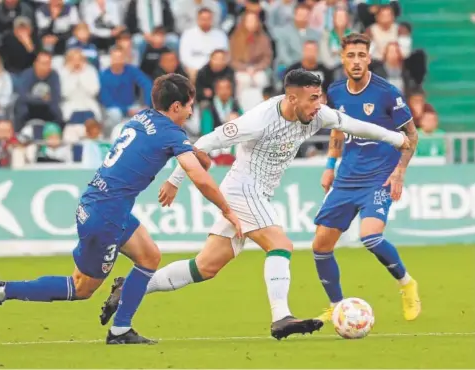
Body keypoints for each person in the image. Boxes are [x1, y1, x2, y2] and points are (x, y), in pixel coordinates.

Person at [99, 69, 411, 340]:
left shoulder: (320, 115)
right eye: (313, 98)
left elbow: (356, 125)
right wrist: (175, 180)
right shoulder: (259, 119)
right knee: (281, 244)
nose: (319, 105)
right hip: (242, 188)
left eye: (320, 97)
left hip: (259, 193)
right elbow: (204, 143)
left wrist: (397, 140)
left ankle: (127, 288)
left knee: (204, 267)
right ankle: (281, 316)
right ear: (291, 98)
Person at [0, 73, 242, 345]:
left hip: (105, 205)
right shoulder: (171, 133)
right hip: (106, 215)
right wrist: (227, 210)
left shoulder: (142, 117)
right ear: (176, 107)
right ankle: (2, 291)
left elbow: (175, 149)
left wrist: (191, 153)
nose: (192, 110)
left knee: (149, 256)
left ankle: (121, 329)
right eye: (189, 105)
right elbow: (200, 177)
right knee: (81, 287)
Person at [312, 33, 421, 324]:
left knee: (370, 236)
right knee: (320, 247)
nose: (357, 61)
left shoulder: (387, 92)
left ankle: (406, 283)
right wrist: (330, 165)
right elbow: (337, 129)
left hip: (379, 178)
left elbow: (411, 135)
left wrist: (399, 172)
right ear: (342, 58)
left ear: (369, 58)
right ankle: (337, 307)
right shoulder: (335, 91)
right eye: (351, 55)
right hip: (346, 178)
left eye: (362, 55)